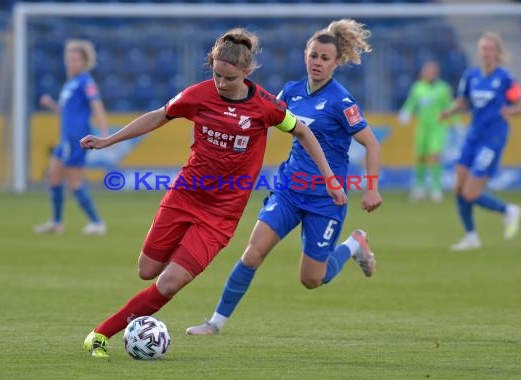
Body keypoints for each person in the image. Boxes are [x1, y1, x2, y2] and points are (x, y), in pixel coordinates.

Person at [80, 28, 345, 358]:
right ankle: (159, 282)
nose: (221, 83)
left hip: (220, 217)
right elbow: (159, 116)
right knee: (146, 271)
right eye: (217, 75)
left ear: (246, 73)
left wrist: (330, 178)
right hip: (184, 197)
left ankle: (99, 335)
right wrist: (108, 141)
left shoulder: (266, 106)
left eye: (229, 78)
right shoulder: (198, 95)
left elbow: (302, 131)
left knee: (169, 283)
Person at [186, 19, 382, 336]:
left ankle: (354, 244)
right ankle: (215, 323)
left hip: (325, 199)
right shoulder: (290, 92)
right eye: (314, 55)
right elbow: (257, 119)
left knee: (311, 279)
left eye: (325, 58)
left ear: (336, 62)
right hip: (289, 191)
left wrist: (371, 189)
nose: (318, 62)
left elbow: (371, 143)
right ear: (306, 55)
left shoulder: (341, 101)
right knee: (252, 253)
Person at [440, 32, 521, 251]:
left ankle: (508, 210)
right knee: (458, 187)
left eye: (490, 49)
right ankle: (471, 236)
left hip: (492, 139)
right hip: (473, 135)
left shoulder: (505, 77)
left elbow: (519, 106)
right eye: (483, 49)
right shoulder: (471, 75)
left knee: (471, 192)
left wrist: (510, 110)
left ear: (497, 52)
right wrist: (448, 112)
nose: (486, 53)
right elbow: (463, 101)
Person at [34, 39, 108, 235]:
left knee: (75, 180)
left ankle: (97, 223)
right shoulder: (70, 84)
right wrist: (51, 104)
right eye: (69, 58)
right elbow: (66, 111)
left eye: (75, 59)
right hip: (65, 139)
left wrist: (105, 133)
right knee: (54, 177)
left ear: (84, 62)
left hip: (77, 139)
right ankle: (57, 222)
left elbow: (97, 107)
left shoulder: (86, 82)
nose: (71, 62)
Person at [399, 60, 455, 203]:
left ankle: (436, 188)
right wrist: (406, 112)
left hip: (438, 126)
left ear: (436, 73)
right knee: (421, 157)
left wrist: (455, 122)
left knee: (435, 156)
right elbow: (411, 103)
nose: (429, 73)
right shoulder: (417, 87)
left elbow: (449, 106)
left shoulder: (443, 88)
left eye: (432, 71)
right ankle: (419, 187)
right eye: (427, 70)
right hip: (422, 126)